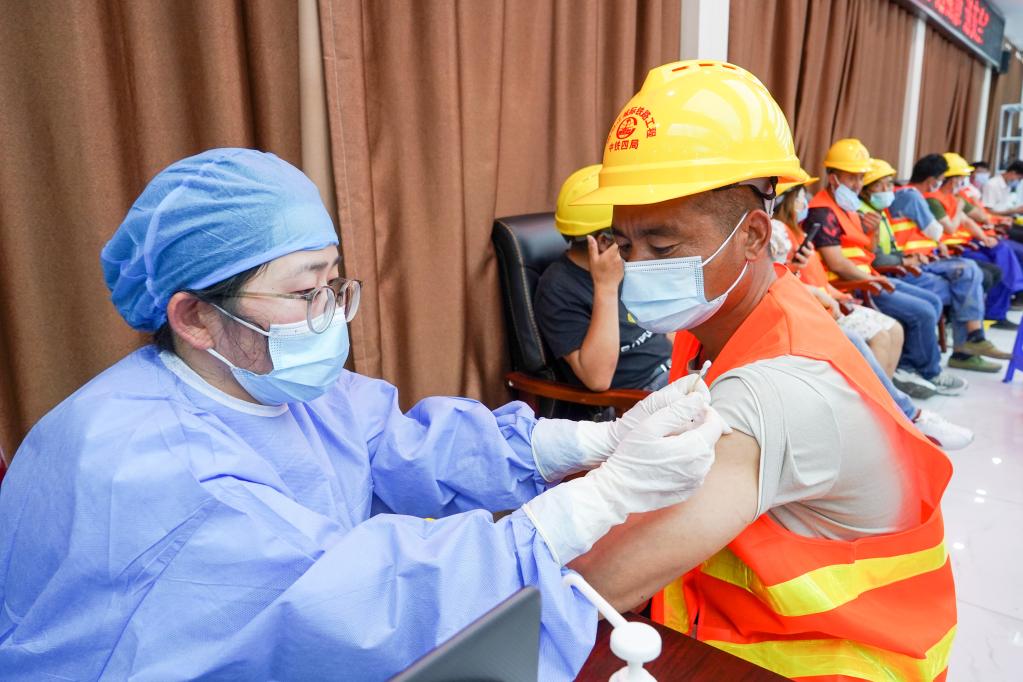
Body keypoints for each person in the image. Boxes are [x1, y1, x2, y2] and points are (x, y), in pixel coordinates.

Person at [0, 149, 729, 680]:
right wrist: (599, 500)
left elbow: (399, 443)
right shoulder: (148, 470)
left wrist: (585, 442)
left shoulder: (267, 382)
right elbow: (353, 598)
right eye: (304, 293)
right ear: (193, 316)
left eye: (334, 282)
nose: (330, 314)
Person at [569, 61, 956, 681]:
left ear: (753, 236)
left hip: (824, 660)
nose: (635, 267)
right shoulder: (730, 320)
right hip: (738, 632)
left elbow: (600, 581)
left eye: (663, 248)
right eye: (626, 243)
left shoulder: (778, 388)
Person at [770, 176, 972, 448]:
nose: (804, 202)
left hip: (840, 293)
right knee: (877, 332)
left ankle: (886, 405)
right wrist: (833, 291)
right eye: (799, 198)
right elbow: (791, 280)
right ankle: (898, 412)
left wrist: (834, 292)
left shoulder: (811, 226)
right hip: (832, 298)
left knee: (896, 327)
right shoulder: (787, 230)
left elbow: (812, 276)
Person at [806, 139, 967, 396]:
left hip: (869, 275)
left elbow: (865, 251)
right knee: (924, 311)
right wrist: (873, 280)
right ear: (833, 177)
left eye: (861, 178)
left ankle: (907, 365)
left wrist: (870, 233)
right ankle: (929, 372)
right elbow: (838, 264)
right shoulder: (822, 212)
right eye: (851, 178)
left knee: (933, 301)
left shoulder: (849, 207)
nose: (857, 184)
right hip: (854, 284)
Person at [862, 157, 1009, 372]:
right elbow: (940, 231)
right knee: (968, 280)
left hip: (917, 259)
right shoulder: (908, 197)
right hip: (903, 266)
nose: (887, 190)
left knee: (972, 276)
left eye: (889, 184)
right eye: (880, 185)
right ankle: (962, 349)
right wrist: (906, 259)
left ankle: (970, 343)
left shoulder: (884, 207)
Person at [534, 165, 672, 392]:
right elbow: (598, 379)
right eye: (628, 231)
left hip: (676, 370)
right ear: (604, 241)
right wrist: (605, 286)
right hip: (640, 394)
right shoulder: (556, 288)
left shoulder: (628, 260)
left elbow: (667, 326)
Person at [924, 152, 1023, 330]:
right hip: (954, 248)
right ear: (953, 179)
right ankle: (1000, 306)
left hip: (969, 242)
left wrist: (985, 237)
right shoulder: (934, 200)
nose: (964, 181)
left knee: (1001, 249)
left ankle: (1003, 304)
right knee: (997, 267)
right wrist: (960, 208)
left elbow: (976, 218)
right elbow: (950, 228)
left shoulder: (956, 197)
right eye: (962, 178)